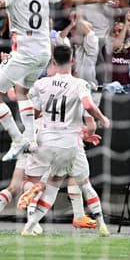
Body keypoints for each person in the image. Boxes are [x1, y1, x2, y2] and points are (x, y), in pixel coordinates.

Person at [0, 0, 118, 161]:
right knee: (22, 92)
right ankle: (30, 139)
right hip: (43, 52)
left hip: (24, 51)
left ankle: (16, 138)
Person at [18, 44, 111, 237]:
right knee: (84, 183)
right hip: (68, 144)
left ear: (52, 61)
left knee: (44, 182)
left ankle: (30, 221)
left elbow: (23, 100)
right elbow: (88, 105)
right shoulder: (79, 84)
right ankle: (101, 224)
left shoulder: (42, 83)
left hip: (43, 142)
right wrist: (103, 119)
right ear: (72, 61)